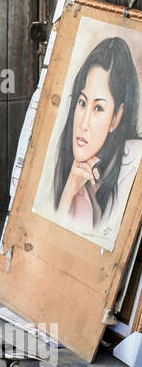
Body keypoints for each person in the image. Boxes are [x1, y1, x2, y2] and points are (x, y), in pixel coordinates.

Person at [51, 36, 142, 235]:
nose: (83, 124)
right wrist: (69, 191)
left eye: (99, 108)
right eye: (82, 103)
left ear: (116, 117)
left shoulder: (135, 161)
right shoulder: (67, 161)